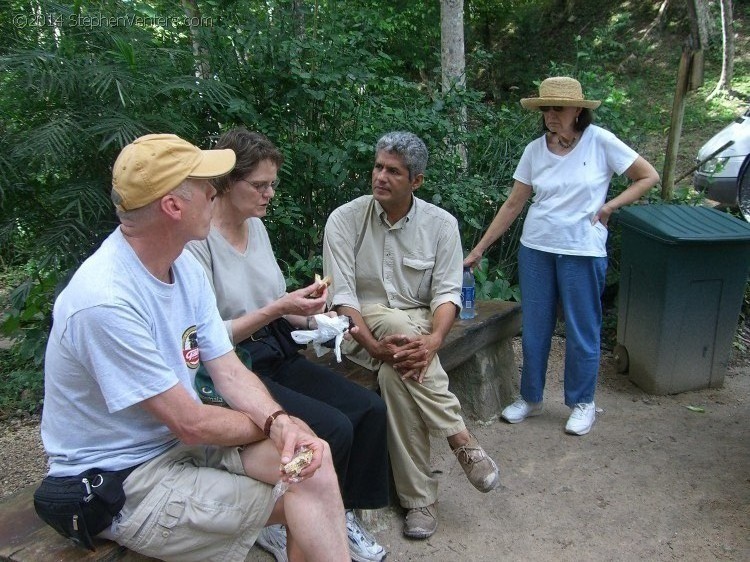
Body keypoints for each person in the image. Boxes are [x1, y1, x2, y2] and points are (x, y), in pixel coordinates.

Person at [39, 133, 350, 562]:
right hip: (125, 478)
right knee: (306, 494)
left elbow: (228, 369)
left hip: (178, 445)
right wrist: (277, 425)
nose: (214, 191)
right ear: (172, 206)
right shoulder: (104, 300)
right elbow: (192, 423)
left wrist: (280, 421)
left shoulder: (182, 265)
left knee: (313, 458)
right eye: (206, 184)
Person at [186, 128, 389, 562]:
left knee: (369, 409)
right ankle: (282, 520)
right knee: (331, 427)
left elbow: (277, 306)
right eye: (259, 185)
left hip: (274, 349)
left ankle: (341, 511)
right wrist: (279, 308)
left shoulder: (256, 229)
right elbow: (208, 339)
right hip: (231, 366)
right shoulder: (196, 244)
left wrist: (319, 318)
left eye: (272, 184)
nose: (269, 194)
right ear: (224, 183)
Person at [322, 131, 500, 541]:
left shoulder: (441, 225)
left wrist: (435, 340)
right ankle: (461, 439)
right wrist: (371, 344)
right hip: (359, 327)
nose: (380, 177)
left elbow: (447, 294)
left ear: (416, 181)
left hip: (419, 332)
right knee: (394, 329)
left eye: (394, 171)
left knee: (393, 377)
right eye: (378, 167)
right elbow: (343, 295)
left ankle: (420, 501)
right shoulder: (344, 219)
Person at [464, 76, 660, 436]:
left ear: (578, 111)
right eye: (546, 108)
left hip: (582, 250)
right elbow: (513, 204)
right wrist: (479, 249)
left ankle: (582, 403)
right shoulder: (535, 150)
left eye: (558, 108)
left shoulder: (600, 143)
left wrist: (610, 206)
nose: (550, 115)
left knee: (582, 329)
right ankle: (531, 398)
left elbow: (647, 176)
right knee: (535, 327)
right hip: (536, 248)